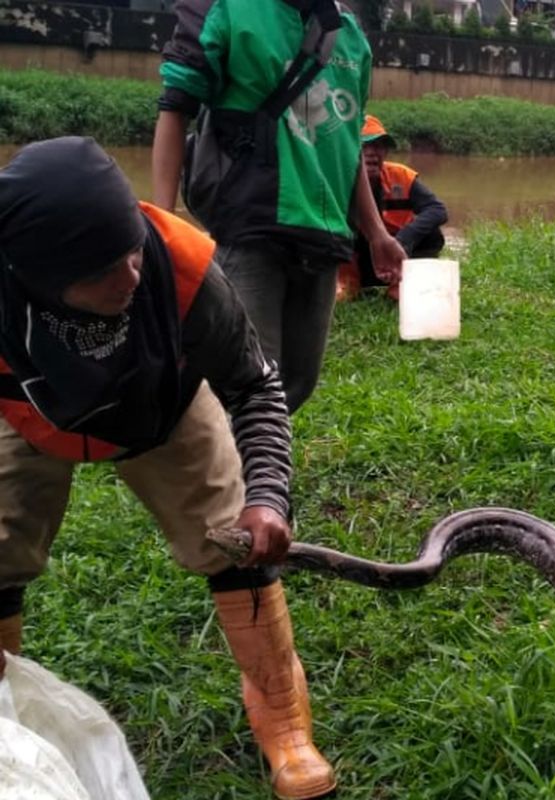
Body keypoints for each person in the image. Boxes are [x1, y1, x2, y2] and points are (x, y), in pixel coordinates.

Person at [0, 138, 335, 800]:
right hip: (26, 413)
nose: (130, 273)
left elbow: (256, 386)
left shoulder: (177, 263)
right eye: (102, 269)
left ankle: (285, 726)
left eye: (131, 250)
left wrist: (267, 497)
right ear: (36, 273)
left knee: (229, 536)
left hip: (163, 408)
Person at [151, 0, 405, 414]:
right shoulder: (228, 11)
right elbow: (176, 109)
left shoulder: (349, 35)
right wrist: (162, 224)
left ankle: (258, 468)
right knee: (251, 384)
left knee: (298, 383)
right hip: (253, 224)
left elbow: (347, 143)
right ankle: (242, 476)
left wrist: (376, 233)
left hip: (324, 236)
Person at [336, 115, 450, 302]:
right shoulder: (336, 182)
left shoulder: (401, 175)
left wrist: (402, 240)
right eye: (364, 146)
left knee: (432, 235)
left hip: (396, 253)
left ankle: (401, 283)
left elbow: (437, 210)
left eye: (379, 146)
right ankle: (347, 282)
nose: (372, 152)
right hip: (357, 257)